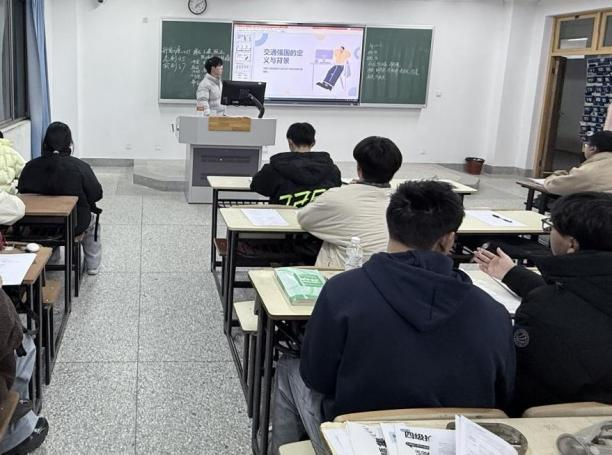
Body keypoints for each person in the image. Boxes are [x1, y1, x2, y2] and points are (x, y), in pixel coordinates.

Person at [271, 181, 516, 454]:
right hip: (456, 443)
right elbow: (504, 395)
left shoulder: (342, 292)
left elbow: (317, 377)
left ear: (390, 224)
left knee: (288, 370)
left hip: (358, 440)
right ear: (448, 239)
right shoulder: (494, 313)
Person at [474, 192, 612, 415]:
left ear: (571, 244)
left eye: (552, 227)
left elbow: (514, 382)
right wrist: (512, 273)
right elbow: (587, 295)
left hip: (560, 421)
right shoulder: (580, 292)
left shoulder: (543, 311)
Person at [297, 136, 402, 268]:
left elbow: (304, 219)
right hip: (390, 273)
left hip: (344, 273)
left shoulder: (336, 196)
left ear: (359, 168)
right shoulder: (404, 203)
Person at [18, 122, 103, 275]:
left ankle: (51, 258)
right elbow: (96, 194)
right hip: (75, 224)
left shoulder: (30, 166)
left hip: (36, 226)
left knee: (51, 221)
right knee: (91, 222)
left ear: (45, 143)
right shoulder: (80, 166)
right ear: (70, 144)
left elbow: (22, 193)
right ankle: (92, 266)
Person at [250, 123, 341, 207]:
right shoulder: (332, 170)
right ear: (313, 143)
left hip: (284, 217)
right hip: (320, 218)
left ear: (290, 142)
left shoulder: (273, 169)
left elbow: (257, 187)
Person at [543, 130, 612, 195]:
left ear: (592, 148)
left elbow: (553, 186)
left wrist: (557, 174)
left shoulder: (587, 171)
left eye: (586, 145)